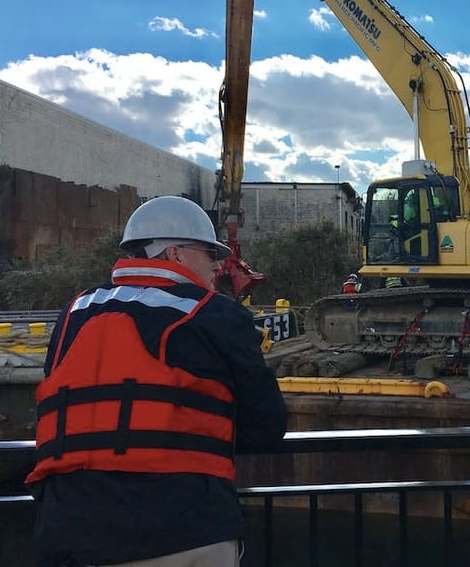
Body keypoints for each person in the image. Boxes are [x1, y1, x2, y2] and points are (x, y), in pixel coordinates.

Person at [27, 195, 287, 567]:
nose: (218, 264)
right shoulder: (215, 313)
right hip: (184, 529)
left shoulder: (74, 312)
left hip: (68, 532)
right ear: (176, 254)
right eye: (209, 253)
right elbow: (266, 426)